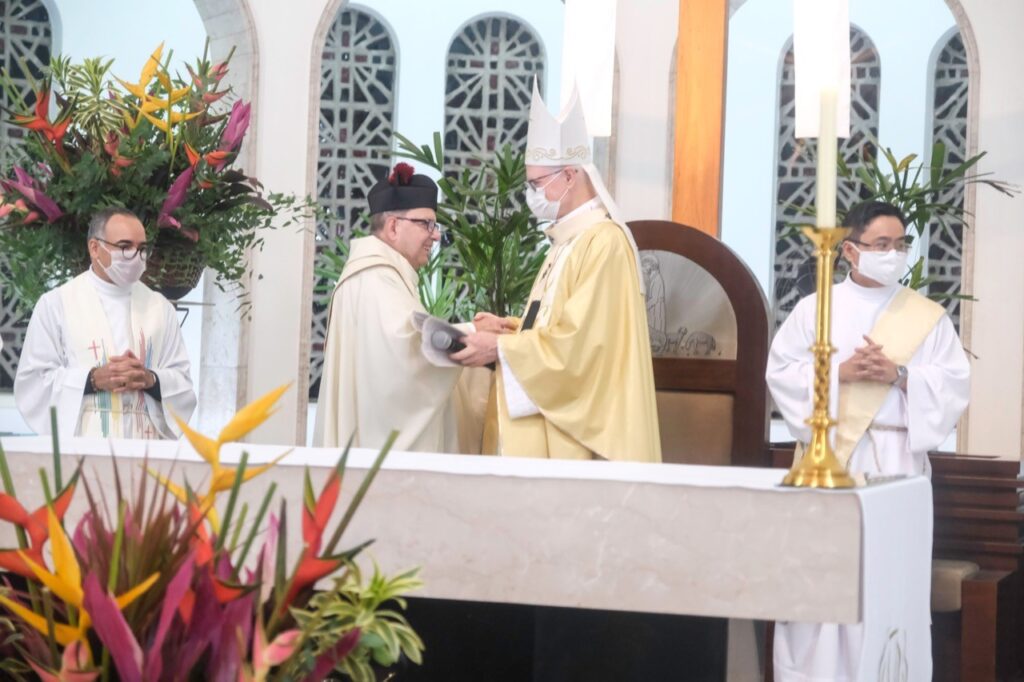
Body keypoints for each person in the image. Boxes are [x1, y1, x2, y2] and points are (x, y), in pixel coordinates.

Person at [766, 200, 970, 681]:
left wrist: (901, 376)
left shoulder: (926, 317)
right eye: (882, 244)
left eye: (901, 244)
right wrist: (840, 373)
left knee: (887, 582)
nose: (893, 253)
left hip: (897, 465)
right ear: (851, 252)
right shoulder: (816, 308)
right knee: (823, 578)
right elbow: (781, 374)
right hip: (830, 458)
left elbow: (955, 385)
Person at [452, 82, 661, 463]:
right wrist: (510, 328)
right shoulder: (567, 241)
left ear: (569, 176)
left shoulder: (604, 243)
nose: (531, 196)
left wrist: (499, 348)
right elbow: (557, 328)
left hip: (578, 440)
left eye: (536, 184)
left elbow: (584, 349)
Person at [313, 163, 510, 452]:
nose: (435, 235)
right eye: (426, 224)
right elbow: (407, 354)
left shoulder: (381, 274)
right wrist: (474, 333)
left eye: (435, 225)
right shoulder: (375, 278)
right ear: (393, 226)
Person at [15, 207, 196, 439]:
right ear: (94, 248)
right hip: (83, 445)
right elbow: (33, 383)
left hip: (147, 447)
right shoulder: (56, 304)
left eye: (142, 248)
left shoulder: (160, 308)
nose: (136, 256)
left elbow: (183, 385)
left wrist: (150, 379)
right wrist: (92, 379)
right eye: (124, 247)